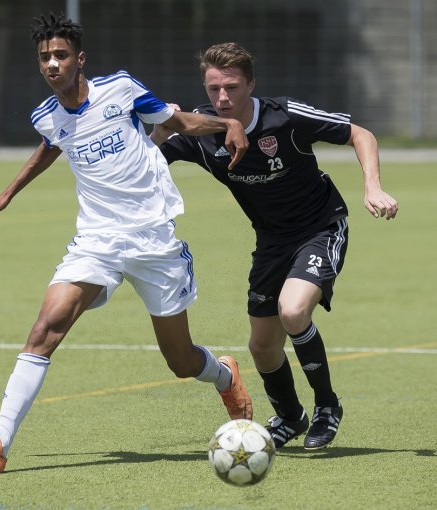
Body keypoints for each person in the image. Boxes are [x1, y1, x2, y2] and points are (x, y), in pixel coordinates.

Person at [0, 15, 253, 474]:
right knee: (46, 327)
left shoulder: (121, 88)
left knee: (180, 360)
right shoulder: (47, 115)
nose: (52, 64)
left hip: (154, 238)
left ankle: (225, 375)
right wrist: (7, 193)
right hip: (97, 240)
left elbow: (175, 122)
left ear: (80, 59)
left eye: (60, 55)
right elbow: (51, 144)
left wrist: (224, 125)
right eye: (44, 58)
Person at [151, 42, 398, 450]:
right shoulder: (203, 132)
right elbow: (147, 157)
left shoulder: (286, 117)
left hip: (321, 226)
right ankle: (289, 416)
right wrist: (160, 131)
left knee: (293, 310)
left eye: (231, 87)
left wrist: (372, 186)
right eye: (213, 89)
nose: (222, 98)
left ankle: (326, 407)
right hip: (270, 241)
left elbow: (360, 134)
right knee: (262, 346)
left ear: (251, 84)